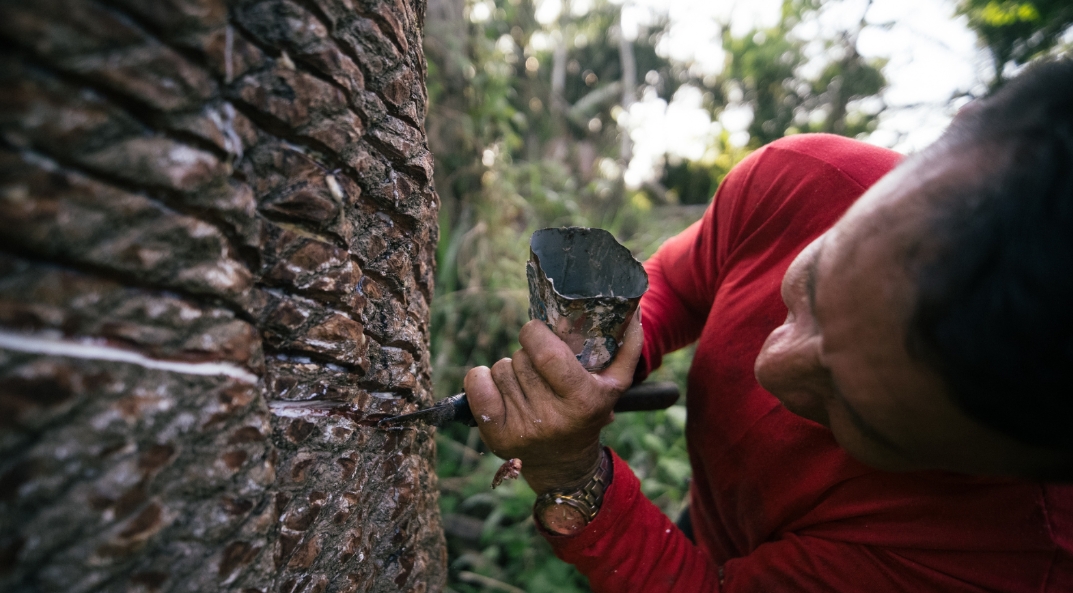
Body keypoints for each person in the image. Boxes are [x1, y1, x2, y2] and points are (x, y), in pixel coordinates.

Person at [464, 58, 1073, 591]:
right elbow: (681, 282)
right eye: (810, 287)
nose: (770, 367)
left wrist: (574, 477)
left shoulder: (1004, 562)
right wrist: (593, 360)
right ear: (956, 130)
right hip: (715, 522)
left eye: (853, 420)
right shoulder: (810, 180)